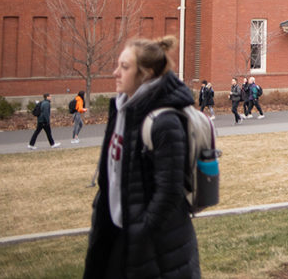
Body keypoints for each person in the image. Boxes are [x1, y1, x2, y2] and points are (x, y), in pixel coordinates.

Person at [83, 36, 200, 278]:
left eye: (125, 67)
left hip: (155, 249)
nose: (116, 72)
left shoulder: (164, 122)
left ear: (145, 74)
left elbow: (169, 192)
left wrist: (142, 231)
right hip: (117, 233)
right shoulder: (122, 109)